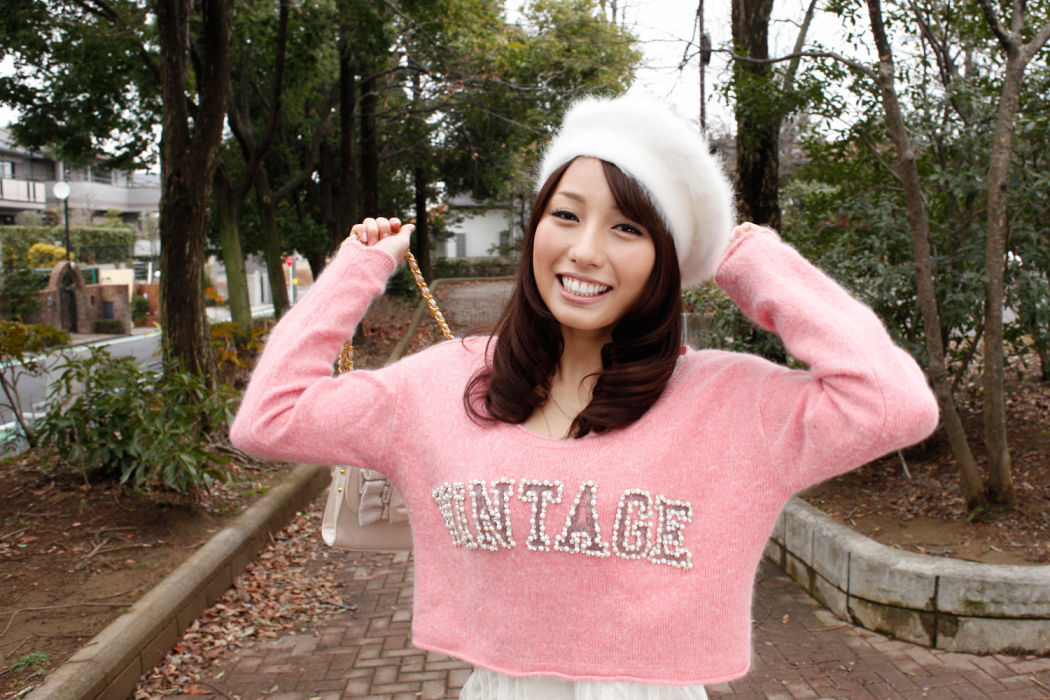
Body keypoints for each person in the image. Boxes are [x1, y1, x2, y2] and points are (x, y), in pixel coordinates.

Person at [231, 94, 939, 699]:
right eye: (566, 215)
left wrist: (749, 260)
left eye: (627, 227)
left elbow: (894, 403)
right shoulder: (444, 383)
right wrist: (356, 271)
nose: (585, 251)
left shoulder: (728, 402)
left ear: (665, 257)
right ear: (537, 226)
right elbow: (269, 417)